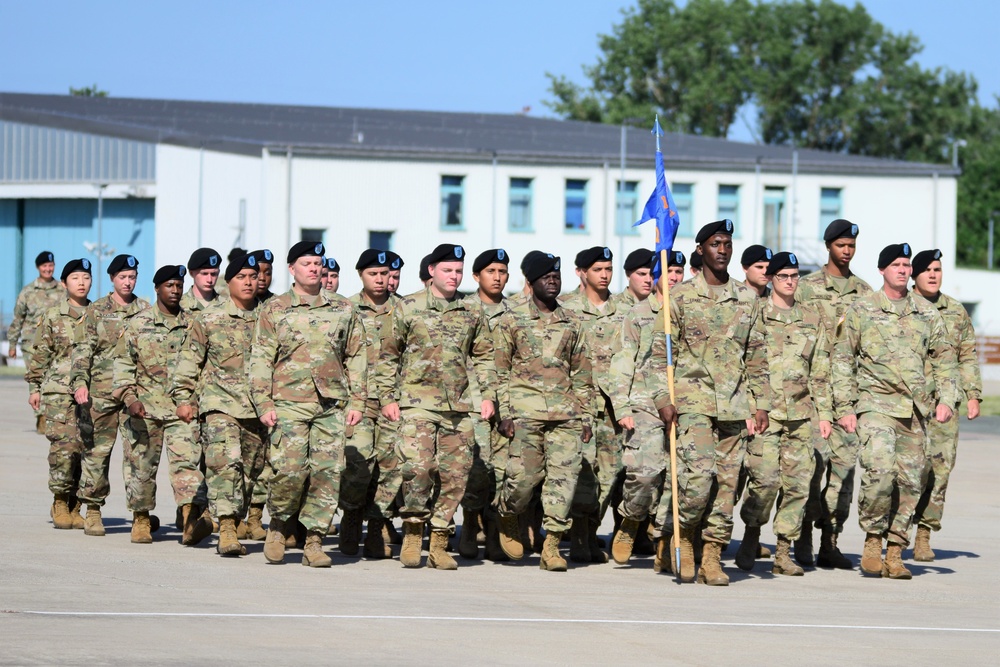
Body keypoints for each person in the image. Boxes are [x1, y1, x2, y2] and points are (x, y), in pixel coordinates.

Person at [832, 243, 958, 579]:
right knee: (880, 473)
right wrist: (844, 407)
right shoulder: (862, 309)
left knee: (911, 483)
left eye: (906, 265)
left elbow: (946, 360)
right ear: (882, 270)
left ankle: (895, 550)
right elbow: (843, 359)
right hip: (875, 406)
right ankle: (873, 540)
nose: (903, 270)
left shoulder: (926, 313)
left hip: (915, 412)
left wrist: (947, 398)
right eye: (896, 265)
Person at [374, 243, 496, 570]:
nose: (454, 276)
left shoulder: (471, 309)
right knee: (418, 467)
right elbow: (387, 355)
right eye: (447, 270)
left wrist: (487, 395)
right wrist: (387, 398)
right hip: (417, 403)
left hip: (459, 406)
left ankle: (440, 540)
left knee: (456, 475)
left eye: (458, 271)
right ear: (432, 271)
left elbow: (484, 355)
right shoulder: (408, 307)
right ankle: (414, 531)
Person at [249, 241, 367, 567]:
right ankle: (278, 525)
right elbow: (260, 358)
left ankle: (314, 541)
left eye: (318, 263)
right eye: (306, 263)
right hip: (288, 402)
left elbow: (356, 356)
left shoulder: (344, 309)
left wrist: (358, 400)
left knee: (328, 473)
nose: (314, 268)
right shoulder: (274, 309)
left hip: (331, 403)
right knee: (289, 470)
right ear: (292, 269)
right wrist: (262, 401)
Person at [668, 219, 770, 585]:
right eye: (715, 243)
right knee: (697, 482)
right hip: (692, 401)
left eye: (727, 243)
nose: (722, 249)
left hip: (734, 403)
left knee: (727, 485)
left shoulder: (746, 298)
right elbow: (660, 355)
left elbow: (757, 354)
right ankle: (684, 540)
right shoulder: (678, 298)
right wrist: (665, 400)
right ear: (700, 249)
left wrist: (762, 404)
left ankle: (712, 555)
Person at [495, 252, 594, 571]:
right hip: (524, 413)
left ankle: (551, 544)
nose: (553, 281)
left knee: (563, 482)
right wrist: (503, 413)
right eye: (545, 277)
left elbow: (582, 373)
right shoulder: (511, 318)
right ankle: (508, 514)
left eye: (556, 276)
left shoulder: (573, 321)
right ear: (530, 282)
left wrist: (586, 416)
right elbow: (498, 370)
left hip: (565, 415)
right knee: (523, 479)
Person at [736, 252, 832, 576]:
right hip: (765, 414)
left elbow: (820, 370)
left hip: (800, 415)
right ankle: (751, 535)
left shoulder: (812, 318)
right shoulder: (756, 314)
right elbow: (743, 364)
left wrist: (825, 414)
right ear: (771, 279)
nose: (790, 282)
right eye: (783, 276)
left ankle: (782, 551)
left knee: (797, 486)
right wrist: (748, 409)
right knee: (764, 482)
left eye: (794, 276)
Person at [171, 253, 266, 556]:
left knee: (251, 473)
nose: (249, 282)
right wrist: (184, 398)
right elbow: (189, 360)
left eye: (253, 276)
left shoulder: (270, 317)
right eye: (242, 277)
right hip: (219, 403)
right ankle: (227, 530)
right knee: (226, 464)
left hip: (259, 408)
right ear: (229, 281)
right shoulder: (210, 317)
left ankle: (212, 518)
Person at [113, 264, 213, 545]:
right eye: (169, 285)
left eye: (179, 286)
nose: (175, 291)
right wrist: (130, 399)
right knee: (141, 468)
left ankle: (190, 519)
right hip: (144, 410)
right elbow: (122, 365)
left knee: (188, 465)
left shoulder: (193, 323)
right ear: (157, 288)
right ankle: (141, 520)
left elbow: (203, 364)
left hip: (182, 410)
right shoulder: (138, 323)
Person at [795, 219, 871, 568]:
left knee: (843, 470)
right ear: (829, 246)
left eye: (851, 246)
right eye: (841, 245)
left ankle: (831, 540)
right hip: (812, 390)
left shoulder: (864, 293)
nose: (847, 251)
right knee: (811, 467)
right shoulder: (806, 287)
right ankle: (803, 537)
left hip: (848, 393)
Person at [908, 249, 981, 562]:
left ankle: (923, 535)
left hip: (944, 404)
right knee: (906, 472)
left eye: (937, 269)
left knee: (940, 470)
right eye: (926, 270)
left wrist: (973, 393)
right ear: (914, 275)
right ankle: (888, 533)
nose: (933, 274)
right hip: (906, 405)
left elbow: (967, 354)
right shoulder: (901, 306)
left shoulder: (954, 310)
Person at [71, 254, 150, 536]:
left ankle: (141, 516)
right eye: (122, 278)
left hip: (135, 397)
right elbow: (82, 350)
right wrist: (80, 382)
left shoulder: (145, 310)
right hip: (101, 394)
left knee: (139, 456)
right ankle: (92, 510)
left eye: (132, 277)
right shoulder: (96, 311)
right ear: (112, 279)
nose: (127, 282)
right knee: (96, 454)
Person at [608, 257, 678, 565]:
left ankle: (663, 536)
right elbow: (622, 363)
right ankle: (631, 521)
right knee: (647, 473)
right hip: (644, 403)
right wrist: (621, 406)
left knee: (678, 477)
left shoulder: (688, 312)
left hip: (684, 404)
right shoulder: (637, 315)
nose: (672, 277)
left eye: (678, 271)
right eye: (666, 272)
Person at [561, 246, 624, 564]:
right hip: (579, 405)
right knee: (582, 473)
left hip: (614, 406)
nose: (604, 275)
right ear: (581, 272)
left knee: (609, 474)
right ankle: (579, 536)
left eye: (608, 269)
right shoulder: (564, 308)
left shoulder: (622, 308)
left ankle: (590, 530)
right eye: (598, 269)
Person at [340, 249, 401, 559]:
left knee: (392, 467)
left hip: (396, 401)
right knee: (359, 466)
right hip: (359, 401)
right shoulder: (346, 309)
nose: (380, 279)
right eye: (373, 274)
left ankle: (377, 525)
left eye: (385, 274)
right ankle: (351, 516)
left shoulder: (404, 310)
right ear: (361, 275)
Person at [25, 258, 93, 530]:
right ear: (64, 284)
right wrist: (34, 387)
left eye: (86, 278)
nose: (82, 282)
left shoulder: (98, 314)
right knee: (64, 448)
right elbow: (40, 353)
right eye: (75, 278)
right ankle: (60, 501)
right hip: (59, 391)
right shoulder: (53, 315)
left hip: (90, 392)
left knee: (86, 451)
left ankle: (77, 504)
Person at [459, 248, 512, 560]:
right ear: (476, 276)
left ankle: (494, 534)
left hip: (508, 404)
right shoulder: (463, 310)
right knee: (478, 471)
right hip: (472, 402)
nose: (497, 277)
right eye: (490, 271)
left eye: (502, 271)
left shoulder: (517, 313)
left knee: (505, 473)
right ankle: (468, 525)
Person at [8, 251, 63, 433]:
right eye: (44, 266)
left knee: (52, 379)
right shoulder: (28, 292)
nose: (48, 269)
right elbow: (18, 319)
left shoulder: (62, 289)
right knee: (36, 379)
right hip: (32, 343)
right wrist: (12, 344)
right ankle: (40, 416)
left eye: (50, 265)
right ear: (38, 268)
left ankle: (51, 415)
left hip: (56, 343)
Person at [180, 248, 222, 312]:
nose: (209, 280)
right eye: (204, 274)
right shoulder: (179, 306)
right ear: (191, 273)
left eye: (213, 274)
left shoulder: (228, 306)